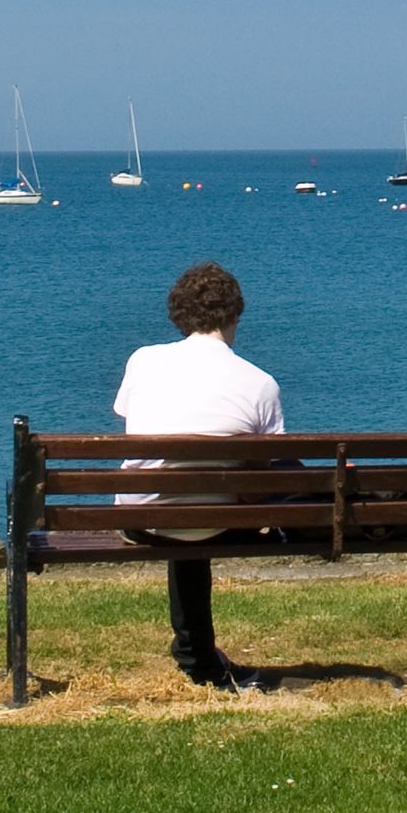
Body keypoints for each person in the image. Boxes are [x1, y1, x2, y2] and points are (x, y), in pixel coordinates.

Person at [113, 261, 284, 690]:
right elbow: (264, 477)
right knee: (201, 513)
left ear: (180, 314)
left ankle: (197, 657)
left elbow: (133, 425)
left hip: (145, 520)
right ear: (235, 315)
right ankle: (198, 657)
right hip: (218, 521)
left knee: (179, 508)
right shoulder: (260, 383)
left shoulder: (143, 361)